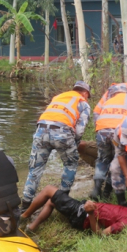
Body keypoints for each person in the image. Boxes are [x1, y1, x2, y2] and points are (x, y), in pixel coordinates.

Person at [21, 81, 91, 211]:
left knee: (35, 168)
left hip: (40, 131)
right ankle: (61, 200)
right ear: (85, 93)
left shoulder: (58, 97)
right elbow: (80, 131)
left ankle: (25, 204)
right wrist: (73, 144)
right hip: (62, 132)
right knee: (70, 164)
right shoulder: (83, 103)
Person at [91, 80, 127, 201]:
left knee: (103, 159)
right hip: (120, 130)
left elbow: (96, 113)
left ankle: (97, 189)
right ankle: (108, 192)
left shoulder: (108, 101)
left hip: (102, 130)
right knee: (118, 160)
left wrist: (98, 128)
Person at [21, 185, 127, 235]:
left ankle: (23, 217)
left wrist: (91, 213)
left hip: (82, 216)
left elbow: (100, 234)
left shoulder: (125, 223)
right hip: (85, 208)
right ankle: (31, 228)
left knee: (49, 190)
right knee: (51, 201)